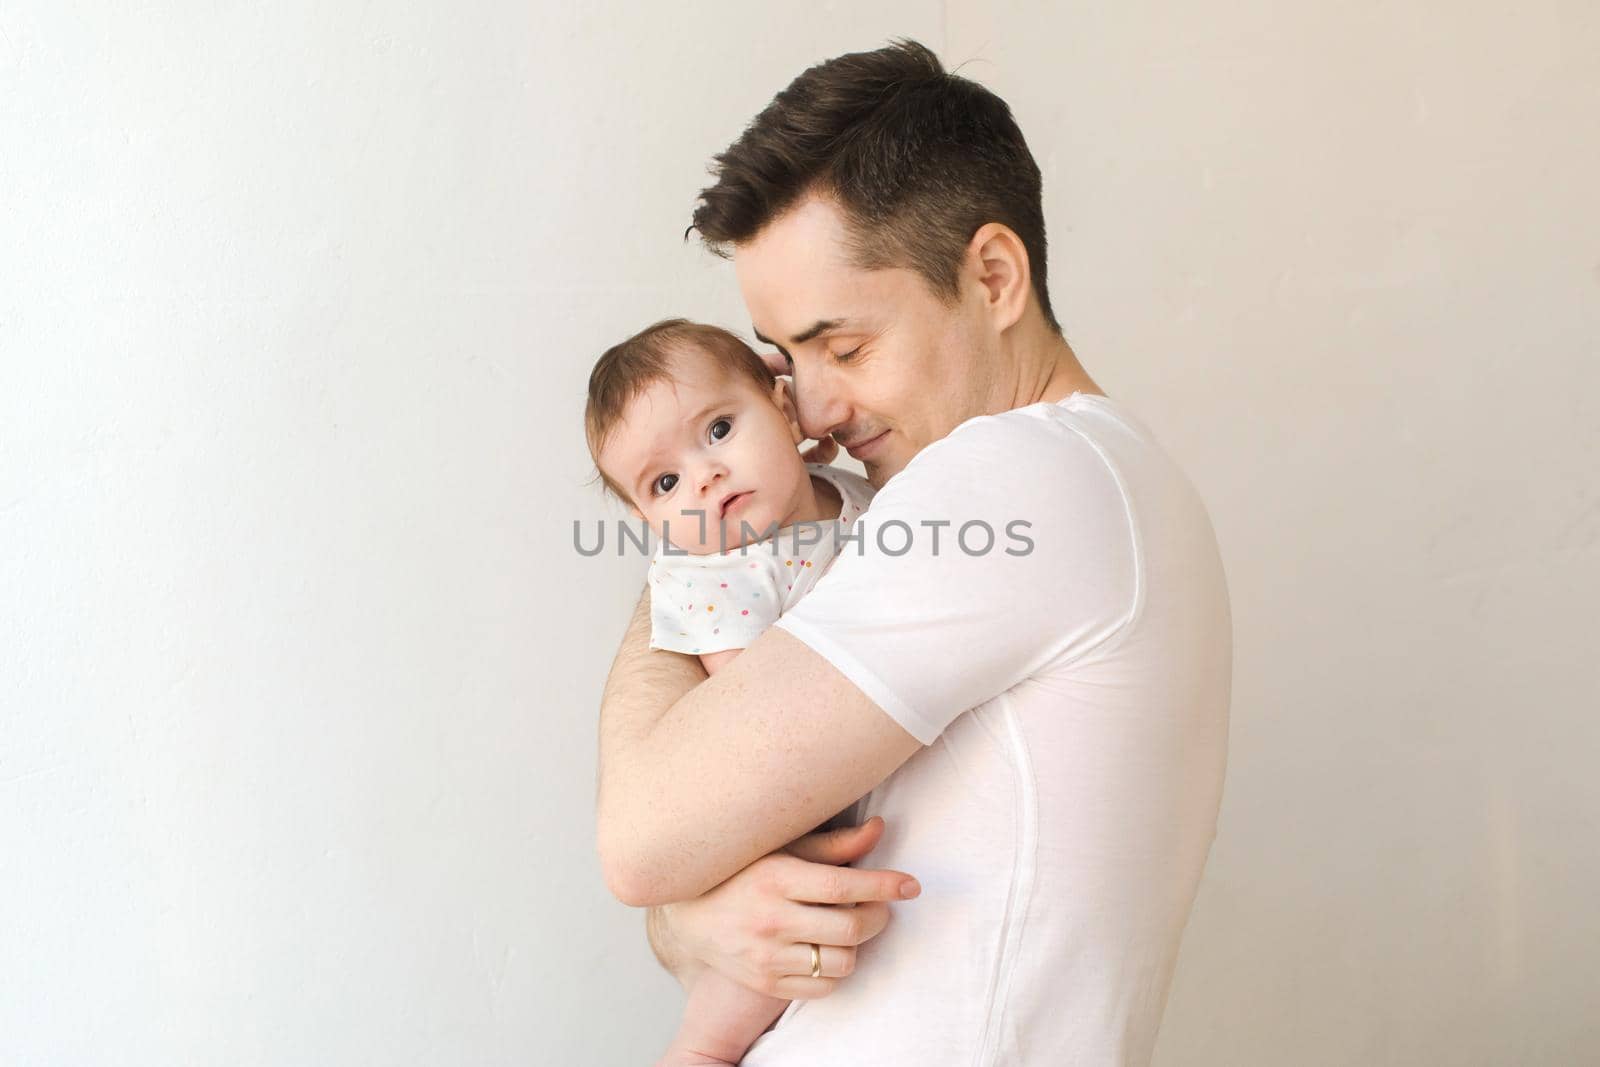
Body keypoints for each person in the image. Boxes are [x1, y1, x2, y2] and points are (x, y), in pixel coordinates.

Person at [595, 38, 1232, 1065]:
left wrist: (691, 556)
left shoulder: (1017, 480)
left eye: (843, 348)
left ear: (991, 275)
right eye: (784, 360)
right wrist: (694, 922)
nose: (811, 407)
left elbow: (641, 836)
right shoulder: (1068, 485)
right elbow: (698, 870)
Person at [584, 317, 894, 1064]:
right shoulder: (712, 576)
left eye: (719, 428)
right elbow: (752, 708)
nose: (704, 476)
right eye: (665, 482)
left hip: (852, 772)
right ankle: (701, 1050)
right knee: (758, 976)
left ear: (785, 410)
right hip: (766, 811)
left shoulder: (855, 495)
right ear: (647, 519)